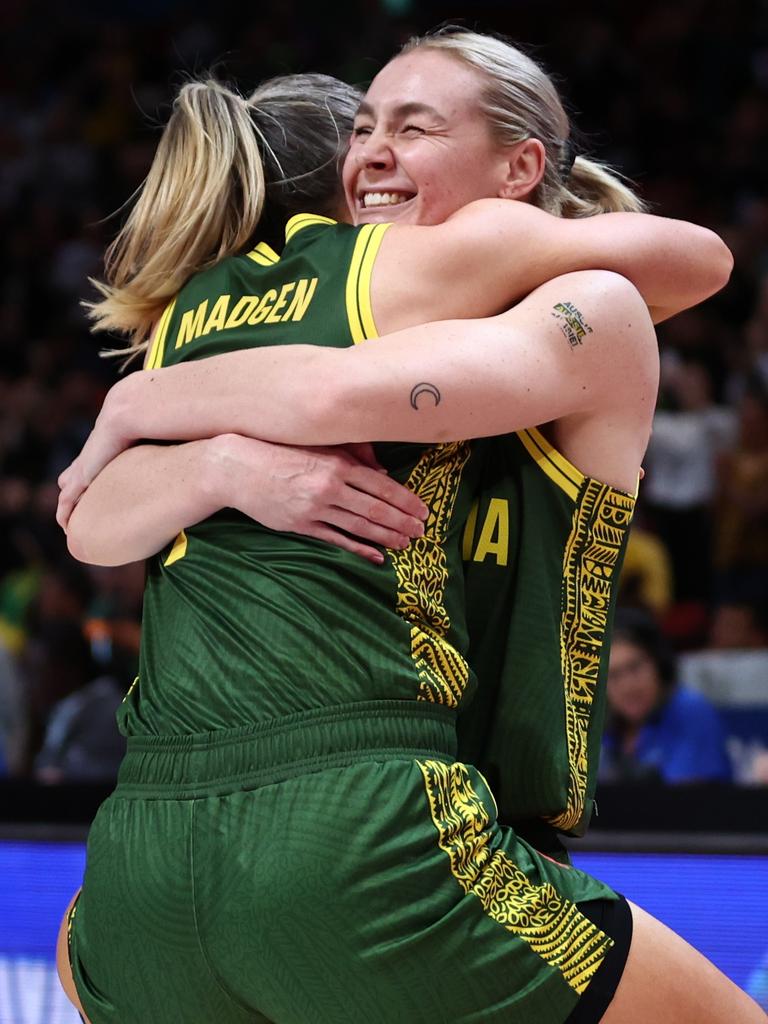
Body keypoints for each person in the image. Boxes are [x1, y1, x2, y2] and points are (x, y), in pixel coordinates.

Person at [56, 31, 762, 1024]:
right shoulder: (531, 290)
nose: (374, 151)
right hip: (371, 843)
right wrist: (208, 450)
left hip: (128, 885)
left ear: (519, 166)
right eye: (361, 128)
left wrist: (155, 415)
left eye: (411, 126)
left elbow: (87, 522)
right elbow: (341, 391)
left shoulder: (194, 313)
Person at [600, 607, 732, 784]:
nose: (627, 686)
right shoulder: (606, 728)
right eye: (614, 676)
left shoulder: (691, 711)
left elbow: (683, 802)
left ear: (658, 663)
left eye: (635, 667)